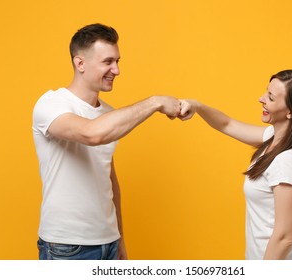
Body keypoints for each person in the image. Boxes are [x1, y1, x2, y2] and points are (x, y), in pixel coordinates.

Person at [32, 23, 181, 260]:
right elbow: (92, 134)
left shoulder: (108, 115)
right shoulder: (51, 104)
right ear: (80, 63)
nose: (117, 70)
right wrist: (155, 102)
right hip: (67, 247)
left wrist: (119, 237)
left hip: (108, 243)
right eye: (108, 62)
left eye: (118, 61)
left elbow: (108, 179)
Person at [179, 70, 292, 259]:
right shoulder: (275, 139)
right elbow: (227, 124)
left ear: (291, 111)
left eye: (270, 98)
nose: (261, 99)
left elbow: (284, 237)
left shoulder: (288, 160)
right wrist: (197, 106)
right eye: (266, 92)